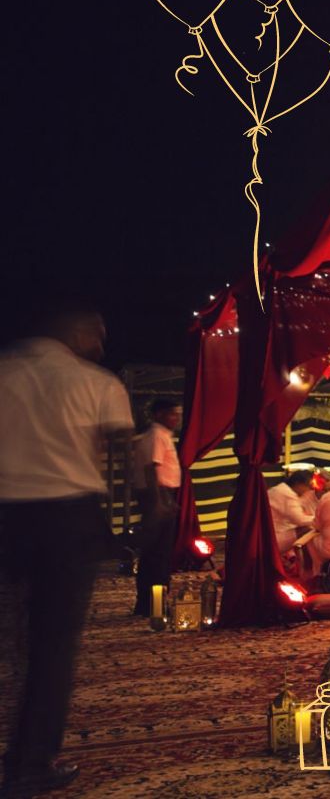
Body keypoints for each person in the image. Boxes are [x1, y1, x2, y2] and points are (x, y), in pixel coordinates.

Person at [0, 306, 133, 795]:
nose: (100, 345)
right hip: (67, 520)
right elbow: (122, 453)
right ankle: (30, 762)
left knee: (15, 639)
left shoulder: (5, 371)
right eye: (97, 334)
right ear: (73, 330)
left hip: (7, 515)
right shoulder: (96, 383)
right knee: (52, 647)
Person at [132, 399, 183, 617]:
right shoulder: (156, 435)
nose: (176, 418)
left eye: (177, 414)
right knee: (157, 553)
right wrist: (159, 502)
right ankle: (153, 605)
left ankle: (150, 604)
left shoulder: (161, 435)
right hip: (157, 494)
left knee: (157, 552)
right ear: (159, 415)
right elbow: (151, 470)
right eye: (172, 414)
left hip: (162, 494)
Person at [267, 468, 317, 554]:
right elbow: (300, 520)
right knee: (309, 530)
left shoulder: (279, 489)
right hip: (274, 537)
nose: (309, 490)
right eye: (308, 486)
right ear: (298, 484)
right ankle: (307, 564)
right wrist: (321, 517)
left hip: (270, 533)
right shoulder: (286, 494)